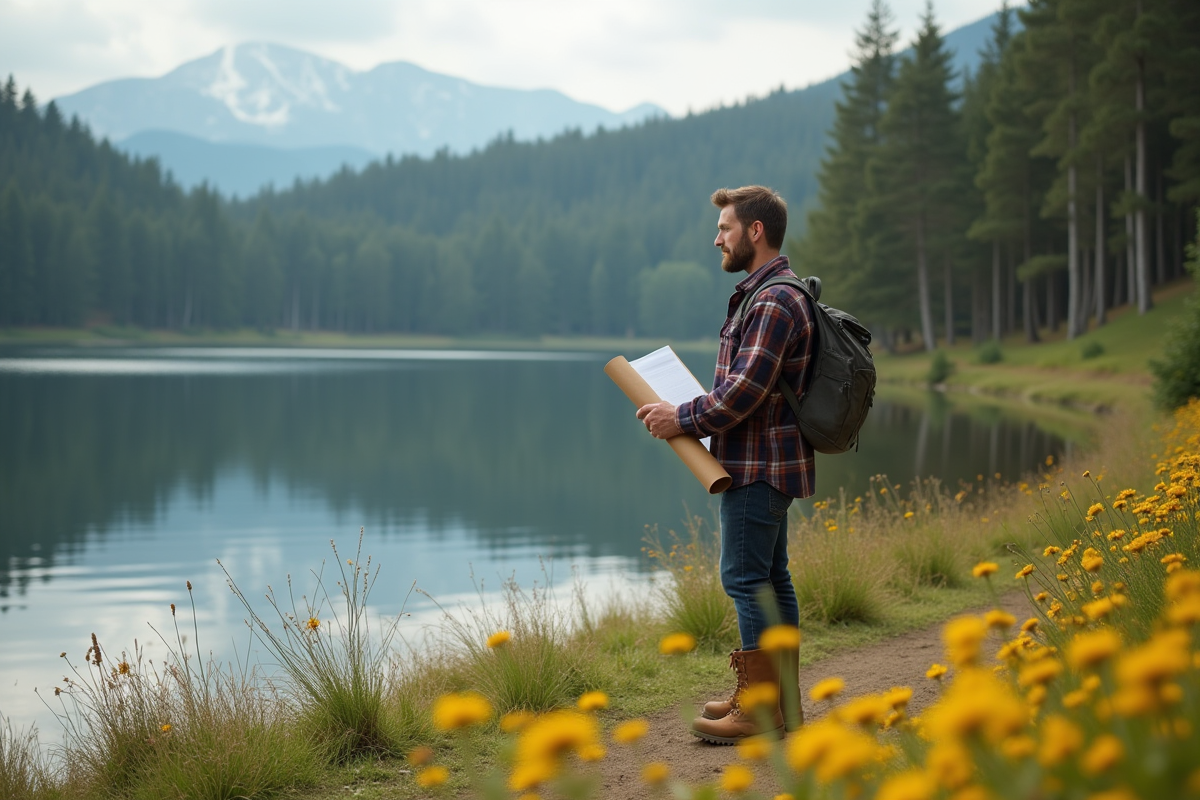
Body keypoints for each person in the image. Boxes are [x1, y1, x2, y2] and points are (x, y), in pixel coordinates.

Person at [636, 185, 814, 743]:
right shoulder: (770, 293)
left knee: (743, 578)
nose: (717, 238)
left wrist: (679, 418)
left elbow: (744, 392)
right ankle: (778, 703)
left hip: (759, 465)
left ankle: (761, 707)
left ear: (754, 231)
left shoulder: (773, 301)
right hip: (766, 462)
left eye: (725, 229)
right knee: (770, 578)